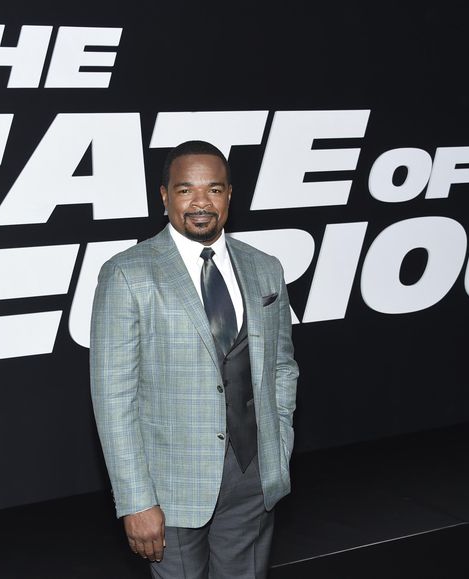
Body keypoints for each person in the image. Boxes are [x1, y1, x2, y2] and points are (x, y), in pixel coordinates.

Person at [90, 140, 298, 579]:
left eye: (214, 190)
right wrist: (136, 500)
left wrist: (278, 446)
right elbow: (113, 399)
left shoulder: (265, 268)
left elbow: (281, 367)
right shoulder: (127, 273)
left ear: (229, 195)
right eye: (186, 190)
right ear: (164, 196)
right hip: (170, 486)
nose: (201, 203)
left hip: (253, 476)